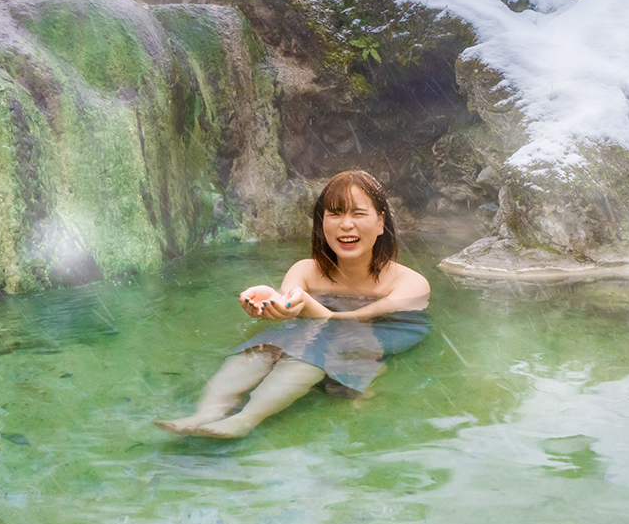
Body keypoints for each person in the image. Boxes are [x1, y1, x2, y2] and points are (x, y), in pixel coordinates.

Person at [156, 170, 431, 438]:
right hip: (325, 323)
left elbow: (354, 322)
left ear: (381, 222)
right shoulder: (306, 270)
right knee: (267, 344)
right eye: (334, 214)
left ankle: (245, 419)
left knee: (317, 348)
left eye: (358, 214)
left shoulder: (409, 283)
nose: (346, 225)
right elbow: (289, 304)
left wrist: (307, 305)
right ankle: (207, 412)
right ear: (322, 223)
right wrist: (268, 302)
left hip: (385, 328)